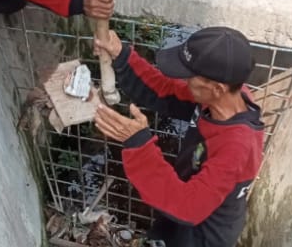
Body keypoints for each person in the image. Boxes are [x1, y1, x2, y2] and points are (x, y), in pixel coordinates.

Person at [94, 27, 264, 247]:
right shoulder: (221, 99)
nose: (185, 80)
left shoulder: (237, 148)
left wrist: (139, 145)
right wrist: (123, 56)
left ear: (217, 88)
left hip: (200, 236)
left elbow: (188, 207)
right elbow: (165, 90)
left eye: (190, 75)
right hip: (181, 214)